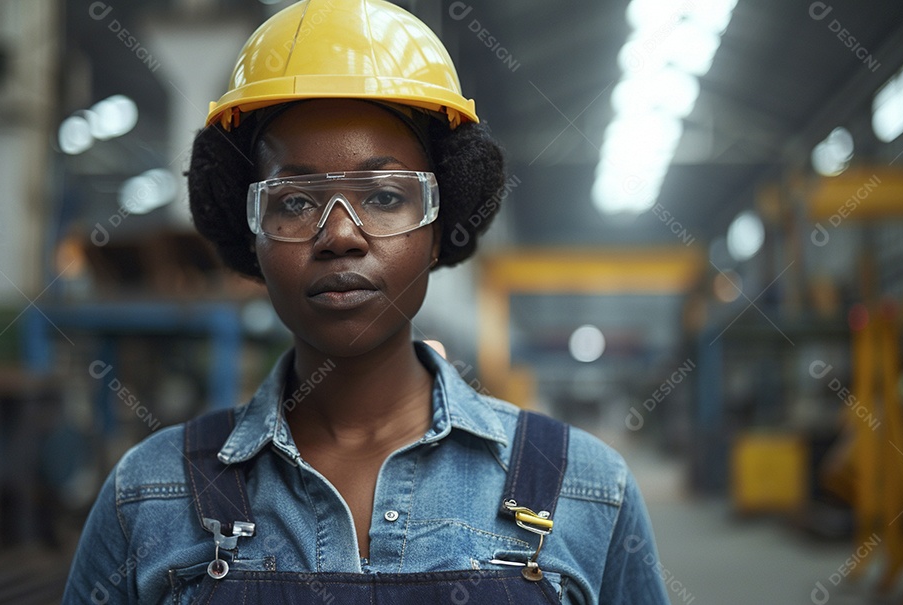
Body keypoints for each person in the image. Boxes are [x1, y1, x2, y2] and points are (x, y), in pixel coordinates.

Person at [63, 0, 669, 602]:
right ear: (253, 239)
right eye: (295, 202)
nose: (340, 235)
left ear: (438, 231)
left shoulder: (586, 490)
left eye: (383, 197)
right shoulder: (149, 496)